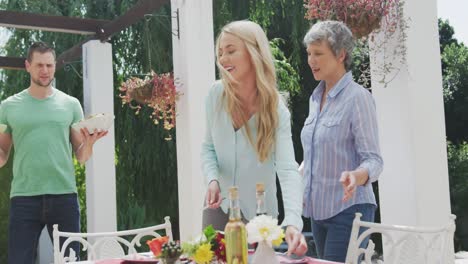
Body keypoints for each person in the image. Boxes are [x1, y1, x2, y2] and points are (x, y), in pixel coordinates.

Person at [201, 20, 307, 256]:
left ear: (254, 52)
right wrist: (212, 180)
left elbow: (288, 170)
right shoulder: (215, 96)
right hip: (220, 210)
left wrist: (292, 221)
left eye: (230, 50)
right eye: (220, 53)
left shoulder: (275, 108)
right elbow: (208, 148)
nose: (223, 58)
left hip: (261, 218)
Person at [0, 41, 108, 264]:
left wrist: (90, 143)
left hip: (64, 197)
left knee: (70, 261)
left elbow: (81, 155)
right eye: (39, 65)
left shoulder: (70, 104)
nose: (45, 71)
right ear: (27, 65)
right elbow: (2, 154)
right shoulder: (8, 107)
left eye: (49, 65)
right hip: (24, 198)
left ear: (55, 66)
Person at [300, 20, 384, 262]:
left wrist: (356, 176)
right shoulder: (315, 99)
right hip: (318, 212)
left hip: (349, 211)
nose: (311, 60)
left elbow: (374, 159)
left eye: (318, 53)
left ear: (341, 54)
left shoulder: (358, 98)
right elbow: (316, 153)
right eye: (309, 53)